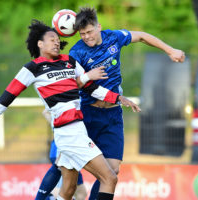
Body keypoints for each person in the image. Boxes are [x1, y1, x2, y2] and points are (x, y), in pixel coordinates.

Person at [0, 19, 141, 200]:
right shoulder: (32, 68)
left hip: (76, 130)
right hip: (69, 134)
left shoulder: (69, 61)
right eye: (52, 39)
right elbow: (6, 97)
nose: (56, 42)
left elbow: (91, 88)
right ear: (40, 43)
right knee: (110, 178)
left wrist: (117, 98)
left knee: (68, 190)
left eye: (58, 40)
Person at [69, 7, 186, 200]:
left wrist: (170, 50)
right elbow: (70, 85)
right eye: (82, 34)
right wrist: (87, 76)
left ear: (99, 27)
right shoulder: (77, 52)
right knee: (70, 168)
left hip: (113, 114)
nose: (87, 37)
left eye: (89, 32)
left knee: (112, 171)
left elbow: (141, 36)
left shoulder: (113, 37)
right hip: (88, 113)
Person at [36, 110, 87, 200]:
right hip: (60, 152)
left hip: (73, 152)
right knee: (59, 191)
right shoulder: (62, 103)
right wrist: (55, 125)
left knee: (81, 192)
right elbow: (45, 112)